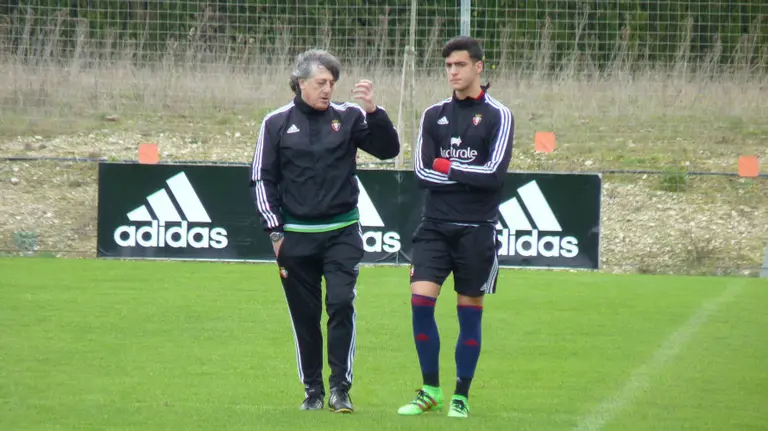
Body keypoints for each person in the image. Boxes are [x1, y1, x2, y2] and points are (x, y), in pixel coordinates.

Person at [249, 49, 400, 413]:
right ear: (301, 83)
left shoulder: (348, 117)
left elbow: (387, 150)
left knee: (340, 303)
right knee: (305, 317)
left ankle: (340, 389)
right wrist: (275, 232)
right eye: (321, 83)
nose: (328, 89)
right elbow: (261, 178)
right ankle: (313, 391)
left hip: (342, 233)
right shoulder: (276, 123)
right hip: (296, 237)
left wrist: (375, 113)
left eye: (332, 83)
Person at [397, 36, 514, 418]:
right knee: (419, 303)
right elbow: (421, 172)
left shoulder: (499, 115)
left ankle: (461, 394)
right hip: (434, 227)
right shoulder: (433, 115)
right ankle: (430, 389)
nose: (452, 72)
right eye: (448, 66)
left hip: (476, 230)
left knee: (469, 313)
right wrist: (463, 174)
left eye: (459, 65)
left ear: (478, 67)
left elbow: (494, 175)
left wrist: (447, 167)